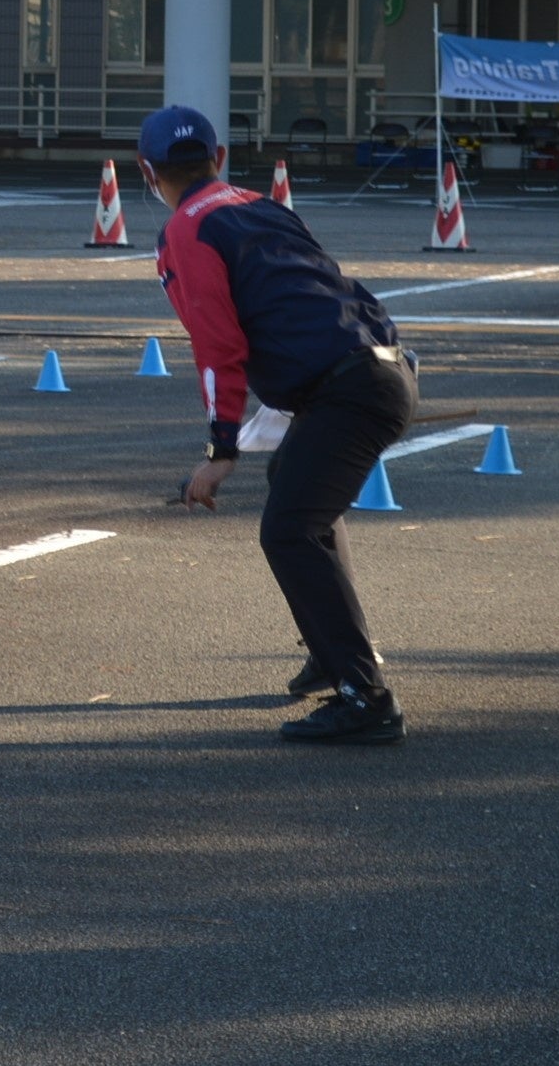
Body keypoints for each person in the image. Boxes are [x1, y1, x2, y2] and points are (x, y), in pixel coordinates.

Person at [141, 105, 414, 745]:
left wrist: (221, 449)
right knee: (296, 491)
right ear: (219, 157)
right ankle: (331, 654)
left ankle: (367, 697)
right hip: (381, 367)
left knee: (289, 529)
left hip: (346, 388)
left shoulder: (187, 229)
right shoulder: (263, 205)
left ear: (147, 172)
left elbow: (217, 343)